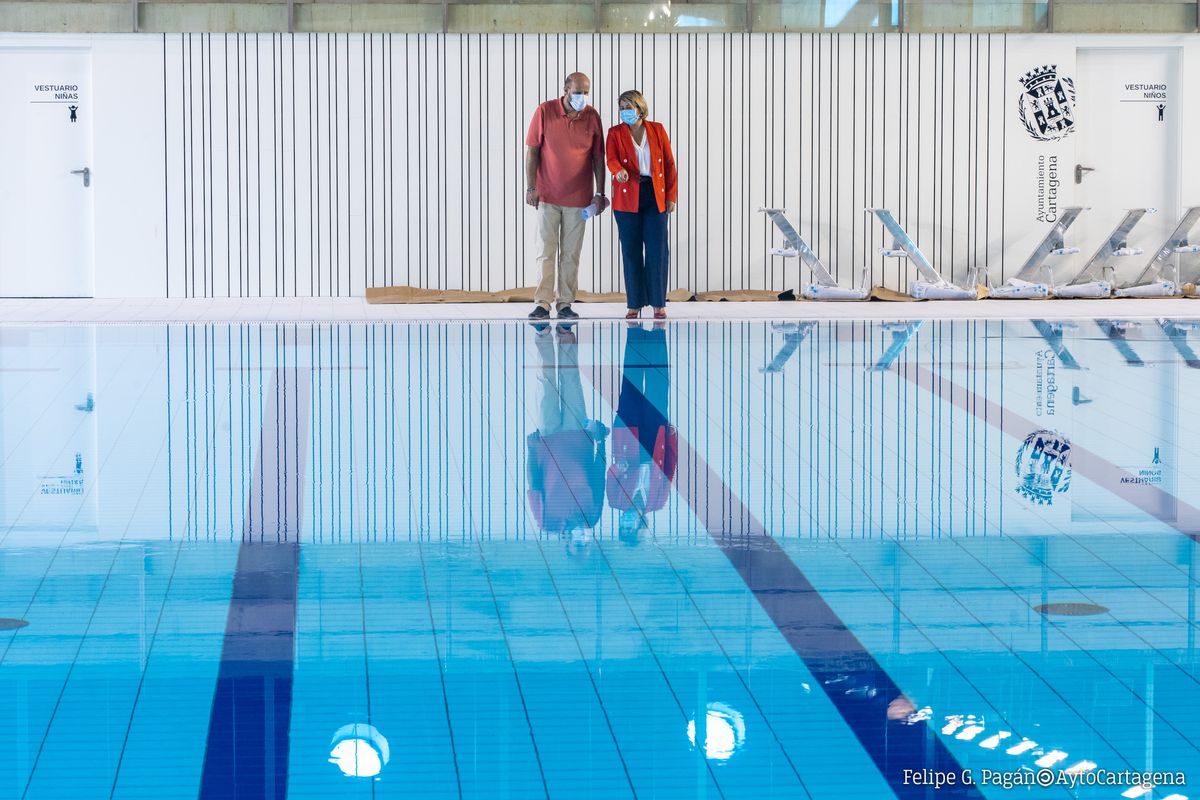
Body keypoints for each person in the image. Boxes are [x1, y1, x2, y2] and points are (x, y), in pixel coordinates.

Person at [525, 73, 608, 321]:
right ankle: (542, 303)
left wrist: (599, 194)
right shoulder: (545, 111)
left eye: (586, 92)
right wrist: (531, 188)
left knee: (571, 254)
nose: (582, 97)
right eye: (578, 91)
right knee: (546, 251)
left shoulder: (592, 117)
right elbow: (532, 152)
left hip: (579, 200)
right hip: (548, 196)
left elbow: (598, 159)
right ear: (566, 89)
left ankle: (565, 303)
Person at [526, 323, 609, 547]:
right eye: (584, 543)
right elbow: (598, 476)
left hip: (548, 441)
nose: (580, 537)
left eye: (577, 544)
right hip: (578, 438)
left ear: (567, 542)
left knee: (546, 383)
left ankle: (542, 334)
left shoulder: (547, 522)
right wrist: (600, 442)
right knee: (571, 380)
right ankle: (565, 333)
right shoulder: (591, 516)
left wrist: (531, 452)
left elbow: (534, 484)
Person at [606, 90, 677, 321]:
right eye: (621, 107)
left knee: (658, 250)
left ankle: (658, 303)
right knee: (631, 251)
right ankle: (634, 304)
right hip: (627, 196)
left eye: (629, 106)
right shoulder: (615, 133)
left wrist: (671, 196)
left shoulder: (657, 129)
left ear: (640, 107)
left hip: (654, 194)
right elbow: (611, 159)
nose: (625, 111)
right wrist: (619, 171)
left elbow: (668, 163)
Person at [608, 323, 676, 545]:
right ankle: (657, 335)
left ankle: (635, 334)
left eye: (623, 526)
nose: (626, 522)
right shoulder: (657, 501)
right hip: (655, 441)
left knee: (631, 383)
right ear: (640, 524)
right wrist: (672, 439)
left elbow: (611, 475)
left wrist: (620, 469)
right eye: (630, 527)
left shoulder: (616, 501)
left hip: (628, 435)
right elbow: (669, 470)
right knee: (658, 383)